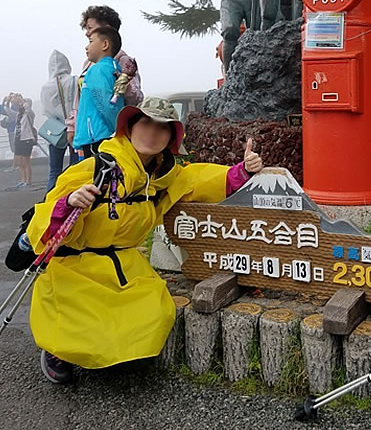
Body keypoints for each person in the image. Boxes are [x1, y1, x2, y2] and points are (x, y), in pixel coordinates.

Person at [26, 96, 263, 383]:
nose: (152, 132)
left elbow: (199, 180)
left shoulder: (164, 177)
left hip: (124, 264)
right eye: (145, 123)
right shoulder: (94, 169)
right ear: (130, 128)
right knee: (79, 324)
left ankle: (113, 351)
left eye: (163, 127)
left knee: (155, 310)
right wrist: (69, 203)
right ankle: (56, 351)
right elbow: (44, 221)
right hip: (76, 266)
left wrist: (244, 171)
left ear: (170, 138)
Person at [67, 5, 143, 149]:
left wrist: (123, 84)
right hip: (85, 132)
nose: (87, 33)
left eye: (90, 28)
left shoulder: (123, 62)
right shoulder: (90, 63)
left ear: (106, 30)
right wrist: (72, 125)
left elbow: (136, 99)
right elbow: (81, 96)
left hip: (102, 136)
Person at [73, 27, 124, 158]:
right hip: (102, 135)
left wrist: (117, 130)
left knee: (94, 175)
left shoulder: (97, 70)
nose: (86, 47)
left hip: (95, 137)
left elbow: (104, 104)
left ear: (105, 44)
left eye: (90, 41)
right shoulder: (113, 68)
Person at [40, 50, 78, 191]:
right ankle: (70, 197)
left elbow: (45, 110)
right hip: (74, 128)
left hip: (55, 130)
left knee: (54, 170)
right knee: (76, 168)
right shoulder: (74, 80)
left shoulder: (46, 87)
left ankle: (50, 199)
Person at [11, 95, 36, 188]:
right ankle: (22, 180)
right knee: (20, 162)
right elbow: (7, 111)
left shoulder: (29, 113)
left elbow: (27, 107)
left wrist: (21, 99)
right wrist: (9, 100)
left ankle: (28, 181)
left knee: (26, 161)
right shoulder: (19, 115)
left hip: (27, 139)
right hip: (19, 139)